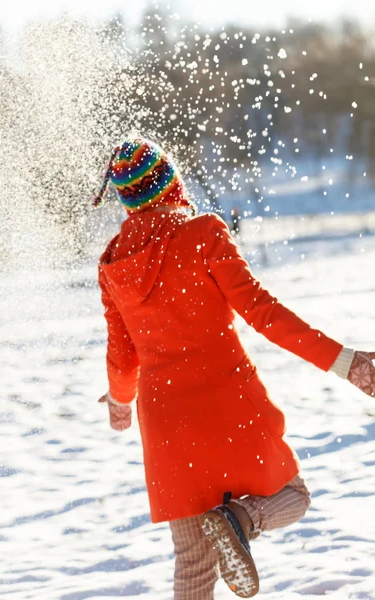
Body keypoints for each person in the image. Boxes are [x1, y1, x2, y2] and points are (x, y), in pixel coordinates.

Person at [93, 137, 375, 599]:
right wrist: (345, 361)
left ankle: (233, 524)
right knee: (293, 496)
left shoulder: (112, 265)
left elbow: (123, 356)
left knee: (193, 566)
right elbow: (264, 313)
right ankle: (242, 519)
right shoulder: (202, 232)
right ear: (169, 185)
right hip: (229, 405)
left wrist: (121, 401)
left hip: (167, 425)